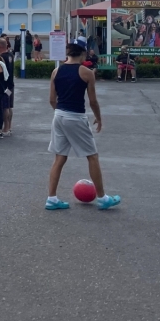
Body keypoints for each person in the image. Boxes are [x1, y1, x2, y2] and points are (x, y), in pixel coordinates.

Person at [45, 42, 121, 211]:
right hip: (76, 116)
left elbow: (51, 99)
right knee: (92, 156)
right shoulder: (86, 73)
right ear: (82, 55)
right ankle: (102, 198)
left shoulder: (56, 71)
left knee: (59, 158)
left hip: (59, 115)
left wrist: (60, 111)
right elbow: (92, 100)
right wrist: (99, 118)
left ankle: (51, 198)